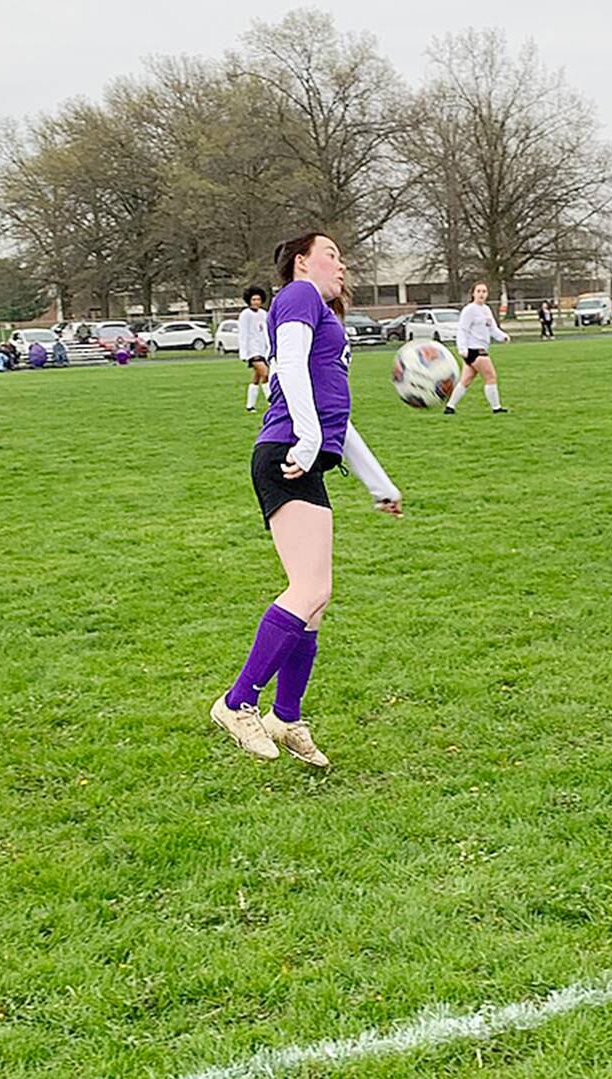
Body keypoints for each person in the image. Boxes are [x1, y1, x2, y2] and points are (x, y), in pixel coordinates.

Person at [210, 232, 402, 770]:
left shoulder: (325, 316)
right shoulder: (298, 296)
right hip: (286, 454)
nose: (342, 265)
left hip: (305, 453)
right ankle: (236, 702)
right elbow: (288, 369)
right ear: (301, 262)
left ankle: (286, 716)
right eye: (332, 254)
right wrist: (309, 439)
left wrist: (377, 482)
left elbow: (339, 417)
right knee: (309, 588)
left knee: (315, 600)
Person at [445, 281, 511, 415]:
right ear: (473, 294)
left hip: (477, 350)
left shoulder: (486, 310)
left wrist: (502, 336)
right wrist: (462, 348)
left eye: (484, 291)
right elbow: (462, 330)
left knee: (465, 381)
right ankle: (496, 408)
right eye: (479, 291)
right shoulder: (469, 310)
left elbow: (492, 329)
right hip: (475, 350)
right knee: (491, 377)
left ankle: (450, 407)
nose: (481, 294)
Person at [238, 286, 271, 411]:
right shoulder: (245, 314)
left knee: (257, 378)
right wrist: (244, 353)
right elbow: (243, 334)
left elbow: (266, 332)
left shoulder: (264, 314)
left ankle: (250, 406)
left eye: (258, 299)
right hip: (252, 351)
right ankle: (271, 400)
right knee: (265, 373)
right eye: (254, 299)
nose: (256, 302)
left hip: (262, 349)